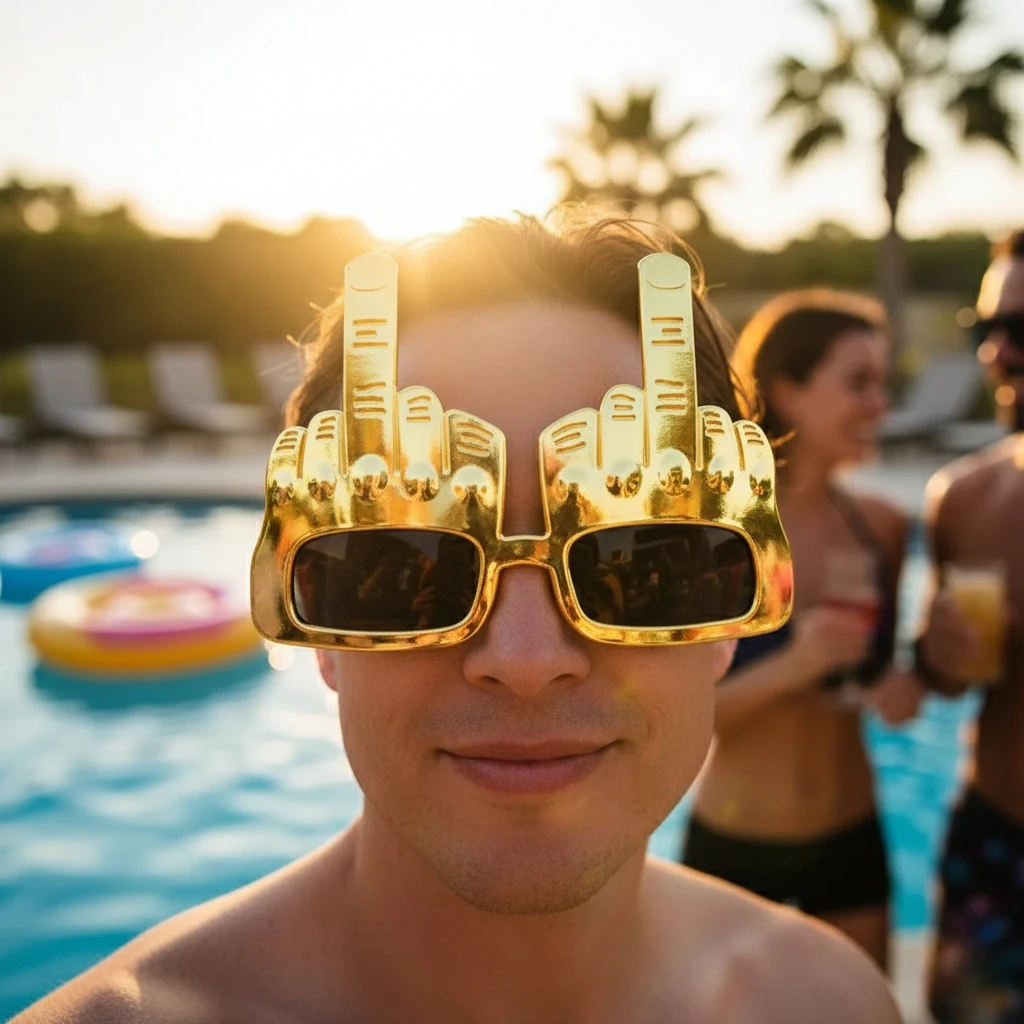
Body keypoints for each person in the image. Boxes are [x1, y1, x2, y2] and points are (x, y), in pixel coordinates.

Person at [13, 213, 899, 1023]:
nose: (522, 655)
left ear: (733, 614)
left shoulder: (829, 1004)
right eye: (406, 566)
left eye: (643, 561)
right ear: (313, 611)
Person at [682, 288, 925, 970]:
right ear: (788, 388)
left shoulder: (880, 527)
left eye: (883, 383)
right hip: (737, 840)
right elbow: (678, 715)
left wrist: (909, 681)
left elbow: (878, 679)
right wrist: (797, 663)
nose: (880, 405)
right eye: (859, 383)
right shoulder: (720, 531)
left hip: (852, 832)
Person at [919, 230, 1024, 1024]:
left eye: (1019, 332)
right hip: (996, 833)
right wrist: (939, 655)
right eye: (985, 329)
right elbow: (950, 674)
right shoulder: (965, 497)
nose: (998, 354)